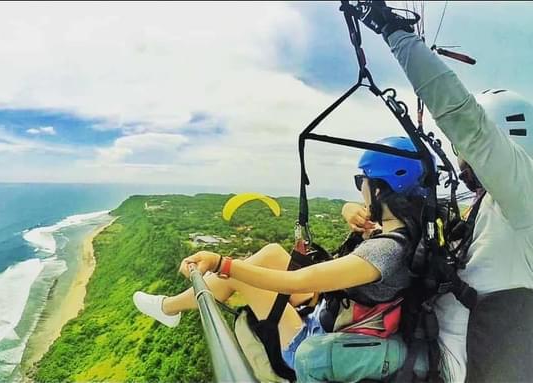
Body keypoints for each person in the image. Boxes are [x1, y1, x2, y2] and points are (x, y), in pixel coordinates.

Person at [133, 136, 427, 373]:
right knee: (273, 252)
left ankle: (170, 308)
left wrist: (222, 263)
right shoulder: (401, 232)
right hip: (334, 316)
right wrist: (348, 209)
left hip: (320, 342)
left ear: (378, 190)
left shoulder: (385, 249)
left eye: (360, 181)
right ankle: (169, 308)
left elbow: (301, 280)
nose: (360, 188)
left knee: (241, 276)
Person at [356, 6, 533, 382]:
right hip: (435, 347)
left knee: (319, 357)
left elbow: (463, 118)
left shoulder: (525, 196)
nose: (460, 160)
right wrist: (358, 212)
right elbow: (421, 214)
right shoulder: (489, 205)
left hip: (455, 366)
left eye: (463, 151)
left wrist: (395, 33)